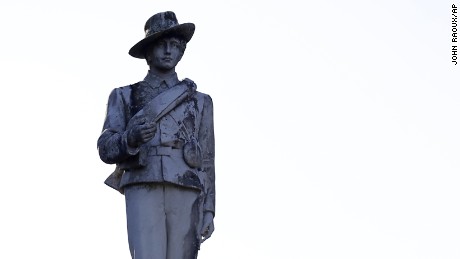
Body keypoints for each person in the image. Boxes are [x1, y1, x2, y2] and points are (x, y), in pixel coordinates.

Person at [97, 11, 215, 259]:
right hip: (142, 179)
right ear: (148, 51)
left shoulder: (200, 101)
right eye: (162, 44)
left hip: (186, 183)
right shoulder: (124, 96)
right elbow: (105, 147)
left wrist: (209, 210)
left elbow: (207, 160)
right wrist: (130, 138)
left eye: (175, 45)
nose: (169, 51)